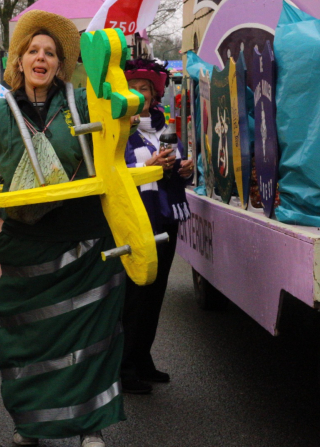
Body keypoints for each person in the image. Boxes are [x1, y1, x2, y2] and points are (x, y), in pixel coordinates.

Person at [0, 10, 123, 447]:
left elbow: (117, 137)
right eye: (32, 51)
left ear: (60, 64)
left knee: (90, 338)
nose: (41, 58)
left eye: (50, 53)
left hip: (85, 240)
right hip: (26, 248)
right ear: (19, 60)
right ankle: (29, 424)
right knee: (25, 341)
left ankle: (90, 427)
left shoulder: (82, 103)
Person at [121, 58, 193, 395]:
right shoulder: (119, 127)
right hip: (137, 218)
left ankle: (143, 357)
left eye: (145, 88)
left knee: (156, 293)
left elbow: (178, 167)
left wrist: (184, 168)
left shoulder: (164, 125)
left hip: (165, 216)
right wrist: (148, 165)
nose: (139, 93)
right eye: (132, 88)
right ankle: (125, 366)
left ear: (154, 94)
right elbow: (116, 172)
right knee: (135, 294)